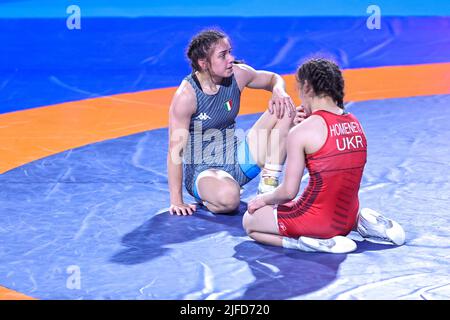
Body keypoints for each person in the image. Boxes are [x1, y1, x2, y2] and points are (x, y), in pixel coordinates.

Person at [243, 58, 405, 253]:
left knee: (250, 221)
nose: (300, 98)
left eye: (299, 91)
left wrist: (263, 200)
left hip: (317, 223)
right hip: (346, 217)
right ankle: (359, 222)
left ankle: (307, 243)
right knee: (321, 195)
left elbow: (288, 192)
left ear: (307, 88)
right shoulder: (355, 122)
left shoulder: (301, 132)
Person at [167, 29, 298, 216]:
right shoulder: (186, 96)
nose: (231, 58)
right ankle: (213, 194)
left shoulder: (238, 74)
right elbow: (175, 150)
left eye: (229, 52)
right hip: (205, 171)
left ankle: (268, 184)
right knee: (230, 200)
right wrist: (176, 201)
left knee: (285, 108)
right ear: (204, 63)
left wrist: (279, 91)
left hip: (239, 158)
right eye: (223, 55)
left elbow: (272, 78)